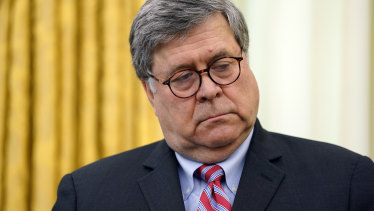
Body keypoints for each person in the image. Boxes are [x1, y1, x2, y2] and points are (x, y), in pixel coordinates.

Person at [53, 0, 374, 210]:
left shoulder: (347, 181)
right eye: (183, 77)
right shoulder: (88, 196)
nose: (209, 90)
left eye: (222, 65)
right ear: (150, 92)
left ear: (246, 60)